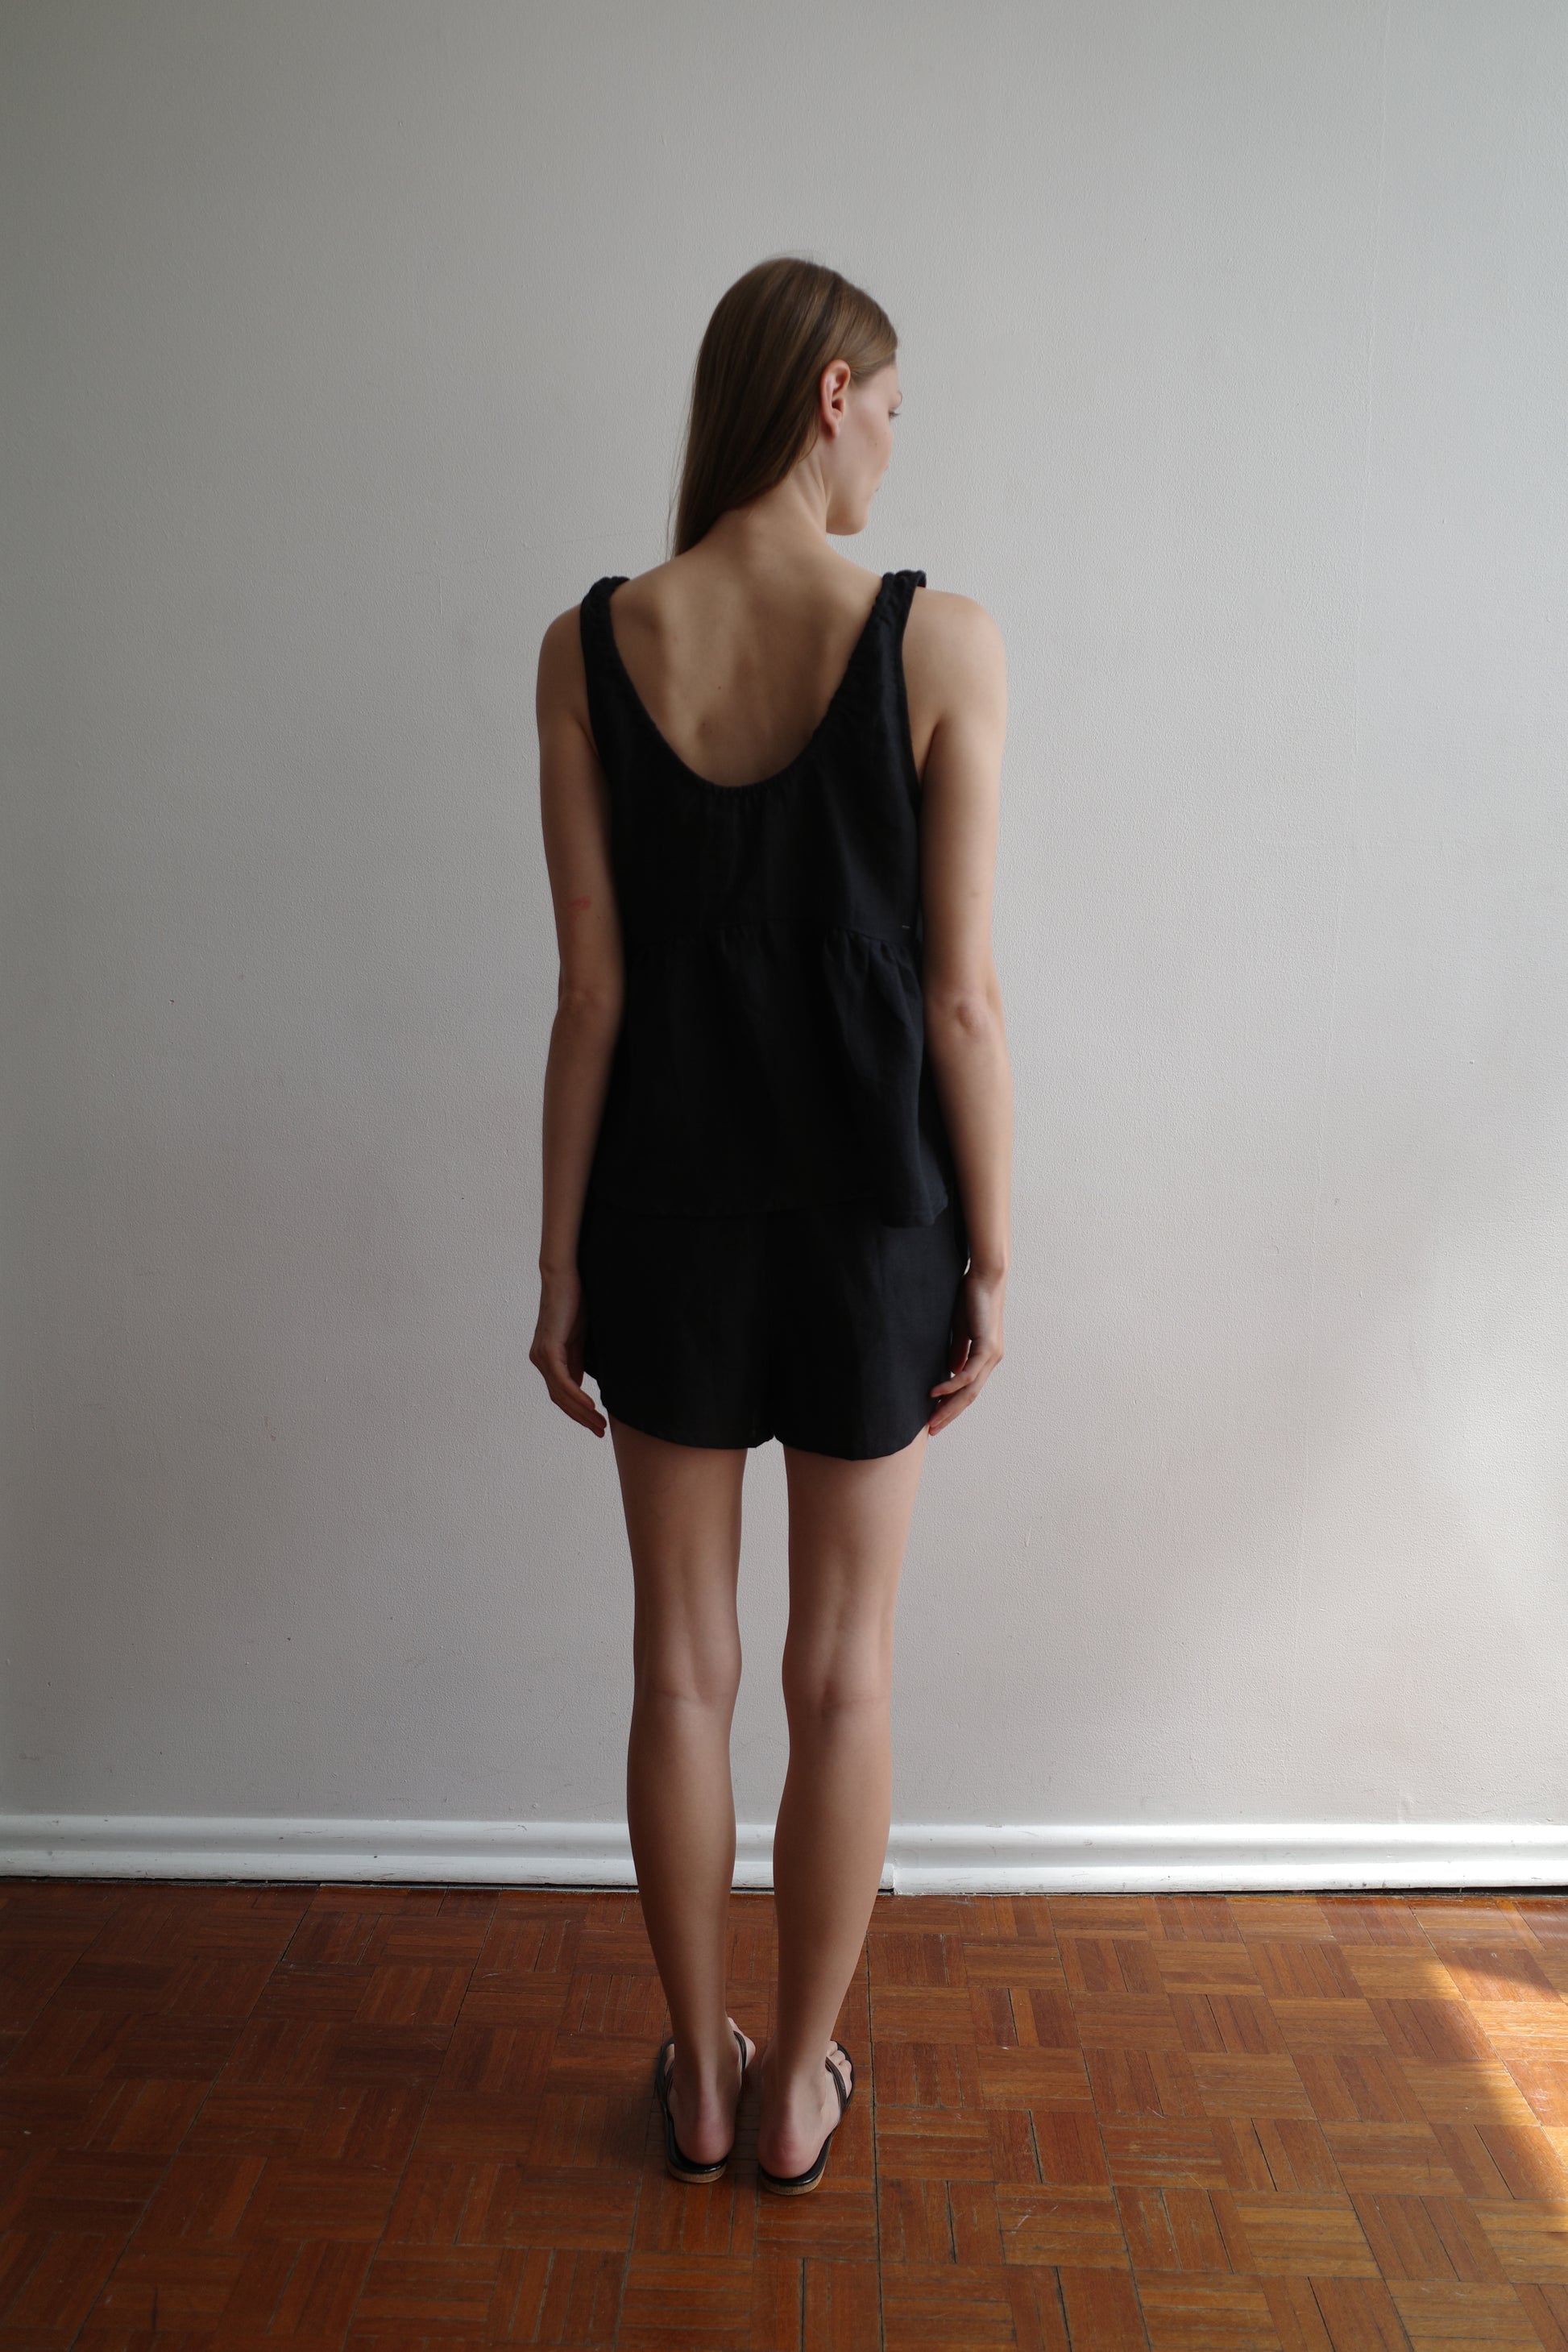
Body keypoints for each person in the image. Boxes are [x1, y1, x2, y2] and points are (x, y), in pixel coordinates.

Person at [529, 255, 1010, 2196]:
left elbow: (589, 993)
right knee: (846, 1670)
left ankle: (699, 2076)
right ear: (828, 391)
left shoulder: (587, 647)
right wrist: (990, 1249)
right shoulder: (942, 642)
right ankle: (798, 2082)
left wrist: (558, 1261)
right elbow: (962, 1000)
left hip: (660, 1210)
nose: (897, 445)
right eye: (891, 408)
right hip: (872, 1220)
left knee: (679, 1663)